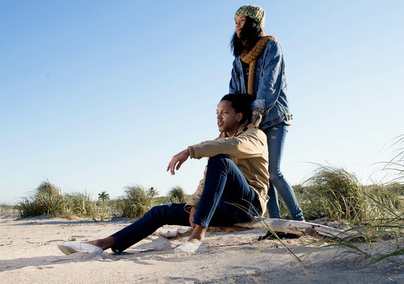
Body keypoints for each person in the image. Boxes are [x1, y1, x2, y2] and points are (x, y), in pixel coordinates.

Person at [57, 93, 269, 255]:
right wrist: (194, 205)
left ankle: (197, 238)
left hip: (247, 206)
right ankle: (103, 244)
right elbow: (207, 180)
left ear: (239, 116)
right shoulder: (218, 143)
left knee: (220, 158)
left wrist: (190, 151)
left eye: (224, 112)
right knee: (160, 211)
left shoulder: (255, 136)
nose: (219, 116)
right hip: (220, 209)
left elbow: (234, 145)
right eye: (216, 112)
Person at [229, 5, 305, 222]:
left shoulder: (272, 47)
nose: (237, 27)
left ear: (253, 24)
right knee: (263, 177)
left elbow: (269, 85)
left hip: (272, 117)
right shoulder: (239, 58)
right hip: (251, 122)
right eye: (235, 23)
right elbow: (234, 90)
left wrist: (256, 114)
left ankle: (299, 220)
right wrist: (233, 118)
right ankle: (276, 224)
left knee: (274, 172)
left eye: (241, 22)